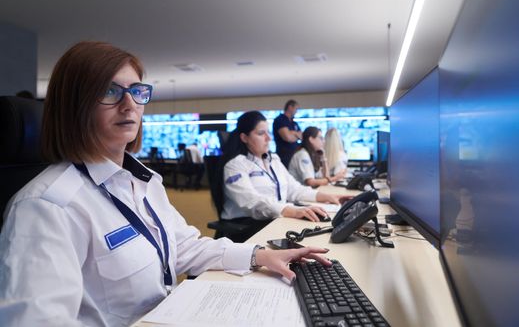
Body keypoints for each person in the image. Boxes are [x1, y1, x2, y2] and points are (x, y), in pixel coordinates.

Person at [0, 41, 331, 327]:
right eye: (110, 91)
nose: (129, 104)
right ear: (73, 105)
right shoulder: (46, 207)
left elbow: (186, 247)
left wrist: (259, 256)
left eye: (136, 91)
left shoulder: (143, 181)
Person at [222, 111, 350, 223]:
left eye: (268, 132)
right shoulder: (235, 166)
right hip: (248, 226)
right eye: (261, 133)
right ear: (244, 138)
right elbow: (252, 202)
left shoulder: (274, 160)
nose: (269, 138)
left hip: (276, 219)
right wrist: (291, 210)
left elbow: (294, 189)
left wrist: (327, 197)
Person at [273, 99, 302, 167]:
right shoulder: (280, 120)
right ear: (290, 107)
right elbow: (287, 137)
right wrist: (296, 134)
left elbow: (301, 136)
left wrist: (292, 133)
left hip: (295, 155)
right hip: (284, 157)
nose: (296, 111)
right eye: (296, 109)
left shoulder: (294, 123)